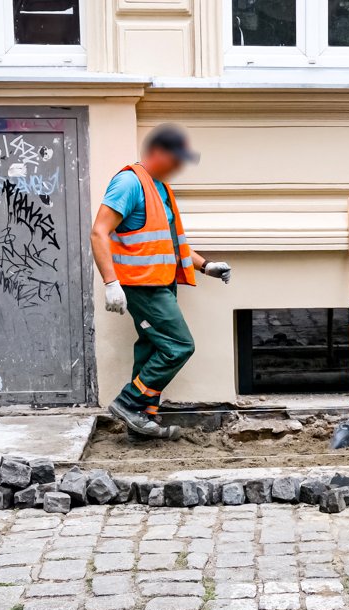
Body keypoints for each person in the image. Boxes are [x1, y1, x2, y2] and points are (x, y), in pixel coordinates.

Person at [90, 124, 232, 441]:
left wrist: (206, 266)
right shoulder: (129, 182)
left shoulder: (159, 187)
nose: (179, 166)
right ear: (156, 153)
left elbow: (170, 242)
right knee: (179, 345)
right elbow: (99, 231)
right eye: (175, 159)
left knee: (151, 348)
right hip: (141, 286)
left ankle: (141, 423)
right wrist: (111, 283)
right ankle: (129, 402)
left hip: (160, 282)